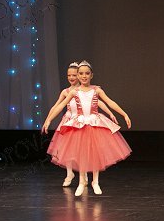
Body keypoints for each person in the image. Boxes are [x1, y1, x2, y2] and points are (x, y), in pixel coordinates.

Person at [42, 60, 132, 196]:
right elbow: (60, 106)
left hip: (94, 123)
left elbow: (109, 102)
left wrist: (124, 114)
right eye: (81, 74)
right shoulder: (74, 92)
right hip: (79, 124)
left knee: (95, 152)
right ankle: (81, 182)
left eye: (87, 73)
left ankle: (95, 182)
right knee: (81, 153)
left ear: (91, 75)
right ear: (78, 75)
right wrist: (49, 119)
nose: (84, 76)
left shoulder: (97, 90)